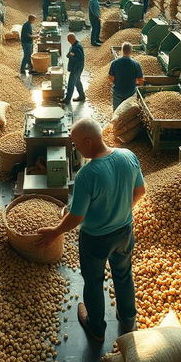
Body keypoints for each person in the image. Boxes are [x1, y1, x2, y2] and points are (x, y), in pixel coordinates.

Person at [37, 118, 145, 341]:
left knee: (94, 281)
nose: (75, 149)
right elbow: (140, 191)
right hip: (125, 232)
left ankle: (96, 327)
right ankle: (128, 320)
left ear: (88, 141)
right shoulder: (128, 156)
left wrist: (55, 231)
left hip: (96, 239)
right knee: (123, 275)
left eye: (76, 144)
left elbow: (76, 217)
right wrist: (120, 209)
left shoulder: (88, 174)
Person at [108, 42, 144, 110]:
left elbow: (110, 78)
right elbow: (141, 81)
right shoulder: (136, 64)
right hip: (130, 92)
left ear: (122, 50)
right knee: (128, 111)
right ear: (131, 51)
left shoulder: (114, 63)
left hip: (118, 92)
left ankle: (116, 114)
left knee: (116, 111)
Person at [61, 33, 85, 104]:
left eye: (68, 39)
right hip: (78, 67)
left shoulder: (76, 47)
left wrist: (70, 55)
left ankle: (67, 99)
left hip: (76, 68)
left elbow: (80, 58)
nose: (68, 41)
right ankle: (82, 96)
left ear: (71, 39)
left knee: (71, 83)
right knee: (77, 82)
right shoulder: (76, 44)